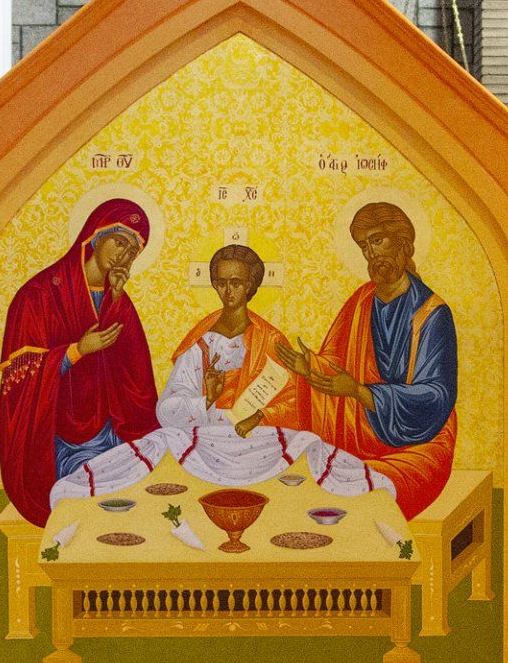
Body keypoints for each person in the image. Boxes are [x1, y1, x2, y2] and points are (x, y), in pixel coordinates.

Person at [277, 202, 458, 518]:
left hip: (415, 443)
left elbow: (436, 398)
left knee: (366, 488)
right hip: (355, 432)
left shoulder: (432, 314)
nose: (372, 253)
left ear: (402, 242)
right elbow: (336, 365)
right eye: (364, 246)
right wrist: (310, 371)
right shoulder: (360, 301)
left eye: (378, 241)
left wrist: (361, 392)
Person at [0, 199, 161, 526]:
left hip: (112, 428)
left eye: (132, 251)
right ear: (95, 235)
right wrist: (76, 351)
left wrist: (115, 302)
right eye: (119, 241)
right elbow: (22, 382)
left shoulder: (119, 300)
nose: (123, 255)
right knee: (95, 496)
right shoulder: (38, 295)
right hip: (60, 438)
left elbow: (135, 377)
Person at [158, 244, 304, 434]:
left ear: (249, 286)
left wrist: (260, 416)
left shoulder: (270, 339)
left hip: (258, 436)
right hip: (205, 433)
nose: (228, 291)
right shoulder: (201, 340)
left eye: (236, 283)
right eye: (221, 283)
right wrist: (208, 399)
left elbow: (295, 400)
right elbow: (166, 410)